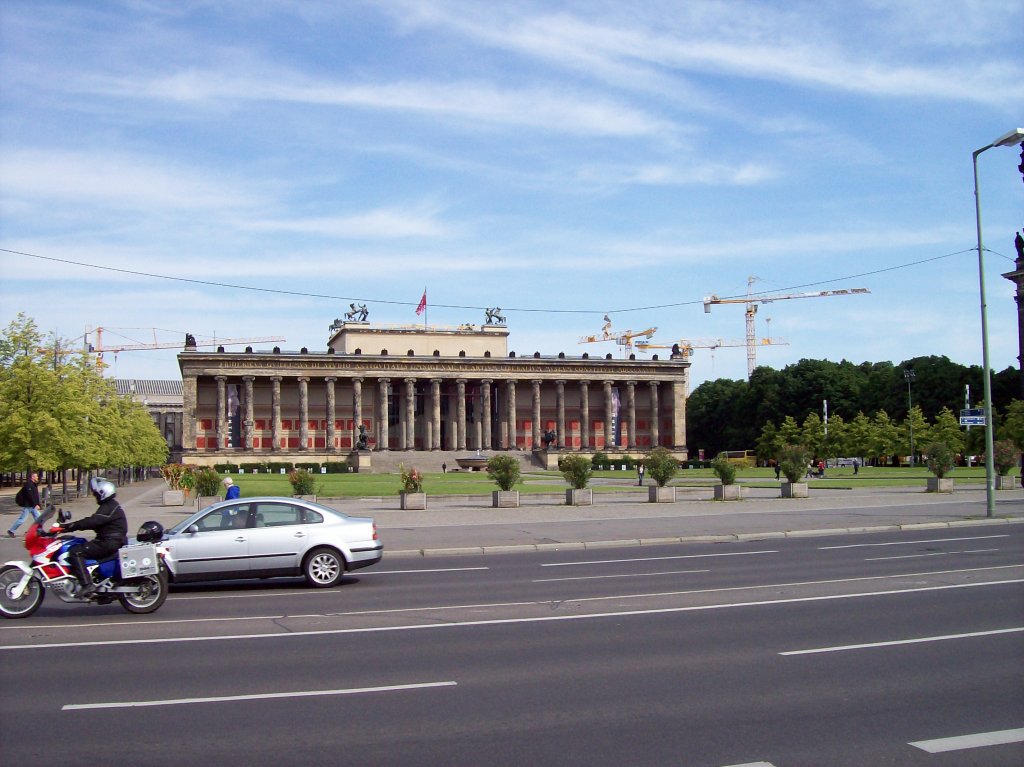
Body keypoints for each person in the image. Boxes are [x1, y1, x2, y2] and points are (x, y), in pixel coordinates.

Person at [53, 477, 128, 597]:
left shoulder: (108, 507)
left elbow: (92, 521)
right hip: (111, 540)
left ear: (103, 493)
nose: (95, 496)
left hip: (109, 542)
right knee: (80, 544)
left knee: (75, 552)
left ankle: (87, 585)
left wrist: (68, 526)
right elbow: (95, 522)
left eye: (96, 494)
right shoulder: (110, 505)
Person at [8, 471, 42, 537]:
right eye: (36, 476)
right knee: (22, 520)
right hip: (28, 506)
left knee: (39, 519)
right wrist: (35, 504)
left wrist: (38, 504)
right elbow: (30, 496)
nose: (37, 477)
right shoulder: (28, 484)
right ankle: (11, 531)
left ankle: (36, 531)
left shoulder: (34, 484)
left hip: (33, 506)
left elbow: (36, 496)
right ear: (32, 477)